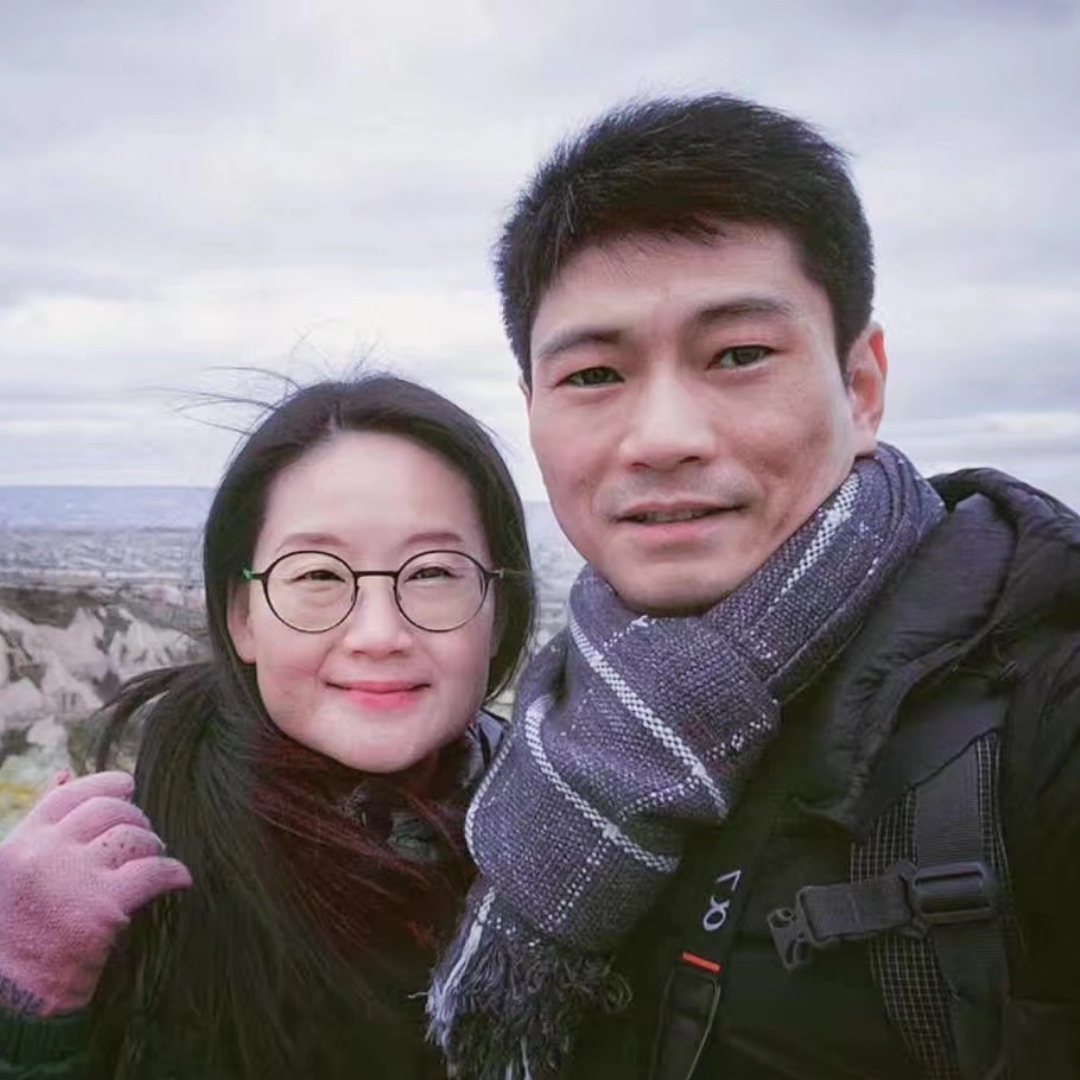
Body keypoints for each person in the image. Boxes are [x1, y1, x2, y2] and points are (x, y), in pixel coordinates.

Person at [428, 95, 1080, 1079]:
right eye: (594, 376)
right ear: (531, 408)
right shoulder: (554, 733)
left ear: (861, 386)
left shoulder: (1039, 703)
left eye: (738, 355)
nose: (662, 438)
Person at [0, 373, 535, 1079]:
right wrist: (25, 1011)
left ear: (499, 607)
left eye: (434, 572)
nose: (380, 633)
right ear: (242, 617)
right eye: (318, 576)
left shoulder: (584, 841)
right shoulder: (137, 875)